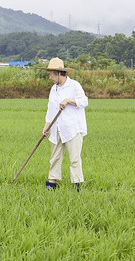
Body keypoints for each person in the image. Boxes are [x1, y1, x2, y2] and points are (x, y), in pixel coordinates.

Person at [40, 58, 88, 192]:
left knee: (74, 159)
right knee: (54, 157)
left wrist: (68, 100)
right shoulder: (53, 89)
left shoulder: (74, 85)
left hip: (72, 128)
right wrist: (47, 126)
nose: (49, 77)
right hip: (57, 128)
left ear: (59, 73)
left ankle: (76, 187)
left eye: (51, 74)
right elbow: (51, 109)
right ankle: (51, 184)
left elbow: (84, 101)